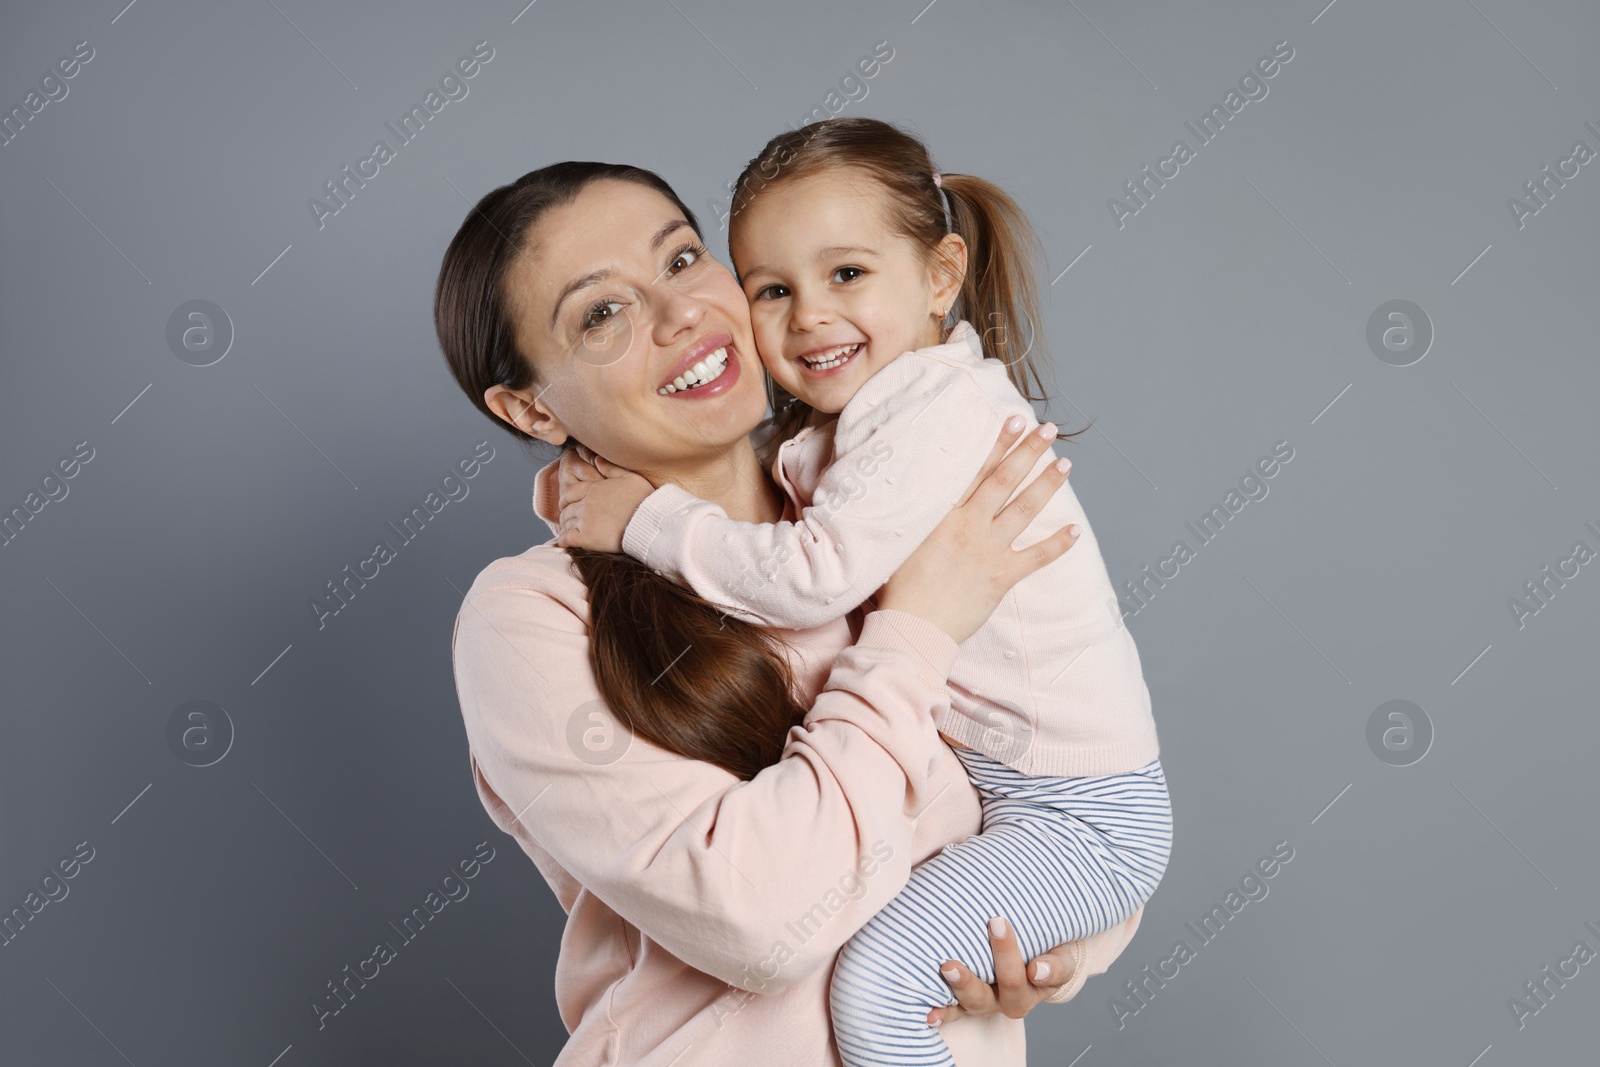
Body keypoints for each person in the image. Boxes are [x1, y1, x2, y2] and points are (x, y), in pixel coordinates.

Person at [435, 159, 1143, 1066]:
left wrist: (1042, 952)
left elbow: (1049, 802)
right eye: (603, 313)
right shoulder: (530, 616)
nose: (680, 313)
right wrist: (917, 628)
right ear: (529, 406)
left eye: (683, 260)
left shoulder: (874, 502)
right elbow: (763, 920)